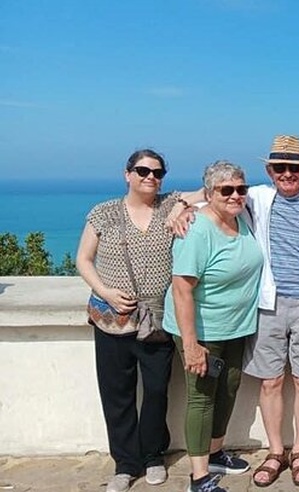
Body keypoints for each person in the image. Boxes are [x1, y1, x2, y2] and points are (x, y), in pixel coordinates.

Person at [76, 149, 191, 492]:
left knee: (156, 391)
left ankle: (153, 455)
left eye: (157, 172)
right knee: (117, 393)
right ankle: (125, 464)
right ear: (127, 174)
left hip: (156, 320)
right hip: (112, 318)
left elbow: (208, 193)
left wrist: (184, 205)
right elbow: (84, 259)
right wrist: (106, 291)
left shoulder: (170, 205)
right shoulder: (105, 213)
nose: (150, 177)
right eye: (142, 171)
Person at [163, 161, 264, 492]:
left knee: (230, 387)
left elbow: (203, 194)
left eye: (240, 188)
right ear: (210, 194)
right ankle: (199, 477)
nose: (236, 195)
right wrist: (191, 344)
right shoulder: (197, 230)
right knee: (202, 397)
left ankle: (216, 453)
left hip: (235, 327)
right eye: (226, 190)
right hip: (201, 330)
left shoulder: (241, 217)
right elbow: (181, 289)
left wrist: (183, 202)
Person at [242, 135, 299, 487]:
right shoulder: (256, 197)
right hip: (269, 303)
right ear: (269, 170)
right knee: (270, 381)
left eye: (293, 168)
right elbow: (214, 194)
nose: (287, 174)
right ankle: (275, 451)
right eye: (279, 167)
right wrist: (176, 206)